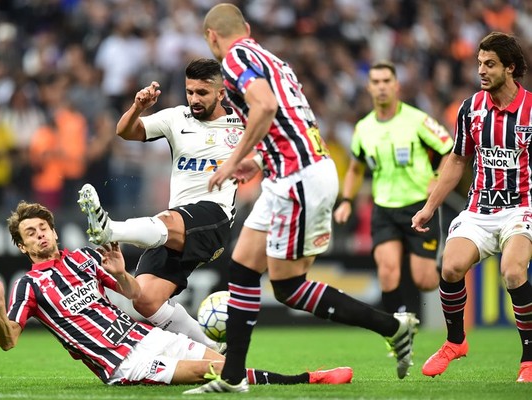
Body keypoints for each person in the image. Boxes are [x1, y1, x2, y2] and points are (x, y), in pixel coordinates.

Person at [186, 4, 420, 394]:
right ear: (245, 27)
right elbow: (290, 123)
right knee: (242, 268)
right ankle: (233, 378)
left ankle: (394, 327)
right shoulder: (273, 60)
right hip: (290, 173)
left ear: (212, 37)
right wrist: (259, 160)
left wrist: (233, 160)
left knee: (289, 286)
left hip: (298, 179)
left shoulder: (236, 59)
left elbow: (265, 107)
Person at [0, 201, 353, 386]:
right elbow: (8, 343)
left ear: (52, 230)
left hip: (145, 335)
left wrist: (121, 275)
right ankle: (309, 378)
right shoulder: (27, 286)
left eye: (42, 228)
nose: (39, 235)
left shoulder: (85, 258)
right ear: (22, 247)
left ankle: (303, 378)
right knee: (217, 371)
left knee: (227, 362)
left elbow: (135, 294)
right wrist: (0, 309)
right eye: (29, 233)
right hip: (122, 363)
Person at [78, 58, 243, 354]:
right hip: (175, 226)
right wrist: (138, 107)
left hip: (213, 218)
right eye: (189, 91)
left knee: (166, 220)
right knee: (144, 299)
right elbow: (125, 131)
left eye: (202, 93)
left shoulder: (242, 124)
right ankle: (215, 350)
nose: (194, 99)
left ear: (220, 94)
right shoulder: (175, 118)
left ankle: (110, 229)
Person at [411, 31, 532, 383]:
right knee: (450, 268)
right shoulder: (470, 109)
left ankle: (528, 358)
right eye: (479, 63)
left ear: (510, 68)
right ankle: (455, 342)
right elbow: (458, 160)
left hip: (521, 208)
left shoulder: (530, 110)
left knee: (513, 271)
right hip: (479, 209)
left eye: (490, 64)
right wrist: (430, 206)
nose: (481, 70)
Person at [334, 61, 454, 314]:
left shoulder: (417, 119)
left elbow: (449, 149)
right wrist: (346, 200)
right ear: (369, 87)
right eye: (376, 82)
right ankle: (398, 331)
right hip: (384, 207)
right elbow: (356, 168)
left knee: (425, 280)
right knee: (387, 272)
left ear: (396, 85)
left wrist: (437, 177)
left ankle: (450, 268)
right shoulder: (363, 128)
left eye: (386, 81)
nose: (381, 87)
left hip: (419, 206)